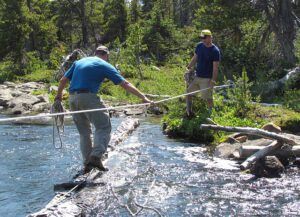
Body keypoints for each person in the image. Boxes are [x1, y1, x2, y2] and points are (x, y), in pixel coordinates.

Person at [55, 45, 152, 173]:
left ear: (95, 53)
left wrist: (58, 97)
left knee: (84, 133)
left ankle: (87, 164)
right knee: (103, 127)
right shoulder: (104, 65)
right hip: (88, 97)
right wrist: (143, 97)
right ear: (106, 55)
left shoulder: (79, 62)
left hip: (73, 99)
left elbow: (63, 80)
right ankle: (95, 157)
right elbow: (125, 84)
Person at [186, 29, 220, 117]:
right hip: (197, 77)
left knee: (208, 98)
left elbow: (215, 68)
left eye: (204, 38)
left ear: (210, 37)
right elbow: (195, 58)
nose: (203, 40)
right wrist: (188, 67)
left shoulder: (215, 51)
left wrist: (213, 81)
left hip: (207, 79)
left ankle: (211, 115)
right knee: (189, 93)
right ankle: (189, 112)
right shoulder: (199, 46)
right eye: (202, 38)